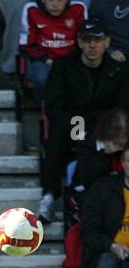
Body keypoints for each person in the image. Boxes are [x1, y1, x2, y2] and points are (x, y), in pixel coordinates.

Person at [39, 22, 126, 223]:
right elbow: (53, 107)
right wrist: (78, 126)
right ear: (79, 42)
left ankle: (102, 194)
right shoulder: (63, 66)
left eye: (97, 40)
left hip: (107, 123)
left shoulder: (119, 69)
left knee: (110, 135)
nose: (92, 46)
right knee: (59, 138)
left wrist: (112, 128)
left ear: (107, 42)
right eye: (87, 40)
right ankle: (50, 196)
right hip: (75, 121)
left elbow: (123, 106)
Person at [19, 0, 86, 103]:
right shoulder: (31, 9)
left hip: (71, 58)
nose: (55, 4)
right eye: (50, 0)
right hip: (42, 60)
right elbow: (26, 46)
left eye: (60, 0)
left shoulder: (78, 8)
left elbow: (84, 41)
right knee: (42, 79)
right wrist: (45, 59)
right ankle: (44, 105)